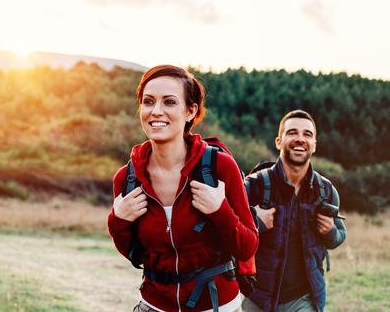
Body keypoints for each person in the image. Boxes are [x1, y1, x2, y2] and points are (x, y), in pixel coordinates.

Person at [108, 65, 258, 312]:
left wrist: (219, 211)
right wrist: (118, 221)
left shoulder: (219, 167)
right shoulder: (127, 178)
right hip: (154, 305)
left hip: (216, 306)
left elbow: (247, 246)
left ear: (190, 111)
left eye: (169, 102)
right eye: (148, 102)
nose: (156, 111)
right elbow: (134, 253)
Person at [241, 110, 347, 312]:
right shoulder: (254, 186)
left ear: (314, 144)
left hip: (303, 299)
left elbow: (340, 236)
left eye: (307, 134)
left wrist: (330, 231)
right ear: (279, 141)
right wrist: (256, 223)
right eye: (292, 132)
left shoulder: (325, 190)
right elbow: (229, 235)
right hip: (256, 296)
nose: (300, 139)